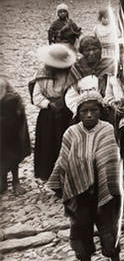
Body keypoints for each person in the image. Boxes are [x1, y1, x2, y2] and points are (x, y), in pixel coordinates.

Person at [46, 90, 124, 261]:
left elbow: (111, 159)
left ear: (101, 111)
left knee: (108, 228)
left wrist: (113, 187)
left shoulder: (107, 130)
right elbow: (63, 160)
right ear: (78, 113)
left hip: (103, 190)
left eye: (94, 110)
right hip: (80, 194)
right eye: (84, 111)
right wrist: (60, 184)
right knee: (80, 228)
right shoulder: (71, 133)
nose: (89, 115)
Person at [30, 43, 77, 181]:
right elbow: (36, 97)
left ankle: (66, 174)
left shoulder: (71, 75)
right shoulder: (41, 76)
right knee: (48, 143)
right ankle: (48, 173)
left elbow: (73, 92)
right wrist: (49, 104)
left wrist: (65, 102)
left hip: (66, 113)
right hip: (48, 116)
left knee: (63, 142)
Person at [0, 76, 30, 195]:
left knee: (13, 156)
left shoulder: (12, 98)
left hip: (12, 133)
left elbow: (17, 118)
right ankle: (3, 179)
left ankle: (15, 181)